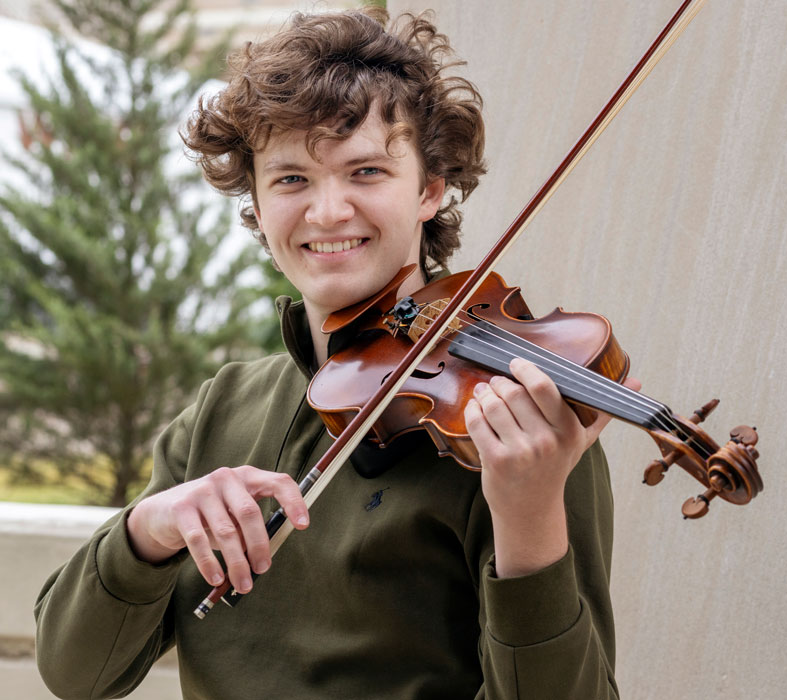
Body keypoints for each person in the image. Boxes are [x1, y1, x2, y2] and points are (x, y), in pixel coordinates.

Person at [35, 8, 634, 699]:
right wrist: (149, 528)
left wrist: (529, 520)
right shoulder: (222, 410)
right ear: (256, 208)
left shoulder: (517, 427)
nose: (327, 212)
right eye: (291, 180)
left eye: (367, 171)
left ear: (430, 191)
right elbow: (75, 673)